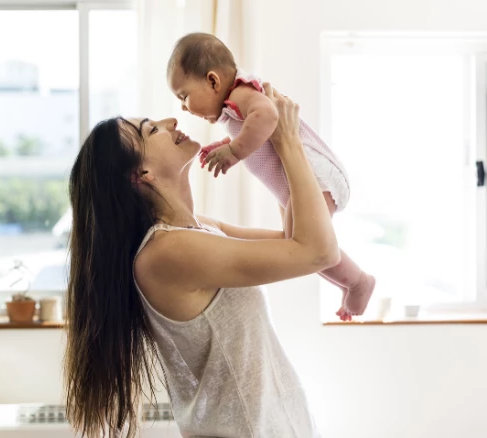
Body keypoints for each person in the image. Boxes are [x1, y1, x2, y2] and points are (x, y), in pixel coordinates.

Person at [64, 83, 337, 437]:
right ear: (141, 175)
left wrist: (269, 148)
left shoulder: (198, 231)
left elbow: (295, 238)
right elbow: (318, 252)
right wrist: (287, 142)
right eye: (152, 129)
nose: (170, 120)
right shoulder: (168, 252)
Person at [167, 32, 375, 321]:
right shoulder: (233, 104)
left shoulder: (241, 93)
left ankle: (358, 282)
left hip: (314, 173)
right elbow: (254, 134)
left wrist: (235, 151)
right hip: (295, 183)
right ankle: (351, 282)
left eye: (184, 96)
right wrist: (227, 146)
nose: (183, 107)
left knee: (305, 248)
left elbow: (268, 116)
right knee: (298, 246)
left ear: (213, 81)